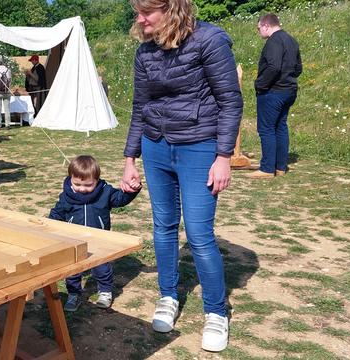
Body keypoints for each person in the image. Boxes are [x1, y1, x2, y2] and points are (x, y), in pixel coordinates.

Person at [122, 0, 242, 352]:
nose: (140, 20)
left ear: (171, 8)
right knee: (162, 225)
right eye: (138, 13)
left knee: (200, 232)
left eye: (147, 12)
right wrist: (130, 157)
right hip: (156, 146)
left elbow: (230, 102)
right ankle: (168, 295)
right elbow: (139, 106)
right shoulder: (145, 52)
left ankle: (216, 312)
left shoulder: (210, 40)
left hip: (199, 146)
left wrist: (223, 157)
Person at [49, 155, 139, 312]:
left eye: (88, 185)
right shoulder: (66, 196)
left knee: (101, 267)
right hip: (74, 240)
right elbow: (57, 212)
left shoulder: (105, 192)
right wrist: (49, 224)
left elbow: (120, 199)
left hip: (99, 239)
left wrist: (131, 191)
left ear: (97, 180)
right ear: (70, 178)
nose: (82, 189)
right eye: (77, 184)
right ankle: (74, 294)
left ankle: (105, 292)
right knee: (73, 269)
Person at [247, 13, 302, 179]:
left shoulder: (274, 41)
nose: (259, 32)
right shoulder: (291, 40)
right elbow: (298, 68)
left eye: (258, 29)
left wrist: (260, 84)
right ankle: (280, 167)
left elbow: (273, 67)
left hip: (273, 91)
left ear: (265, 26)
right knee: (280, 126)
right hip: (289, 90)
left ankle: (267, 169)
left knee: (266, 129)